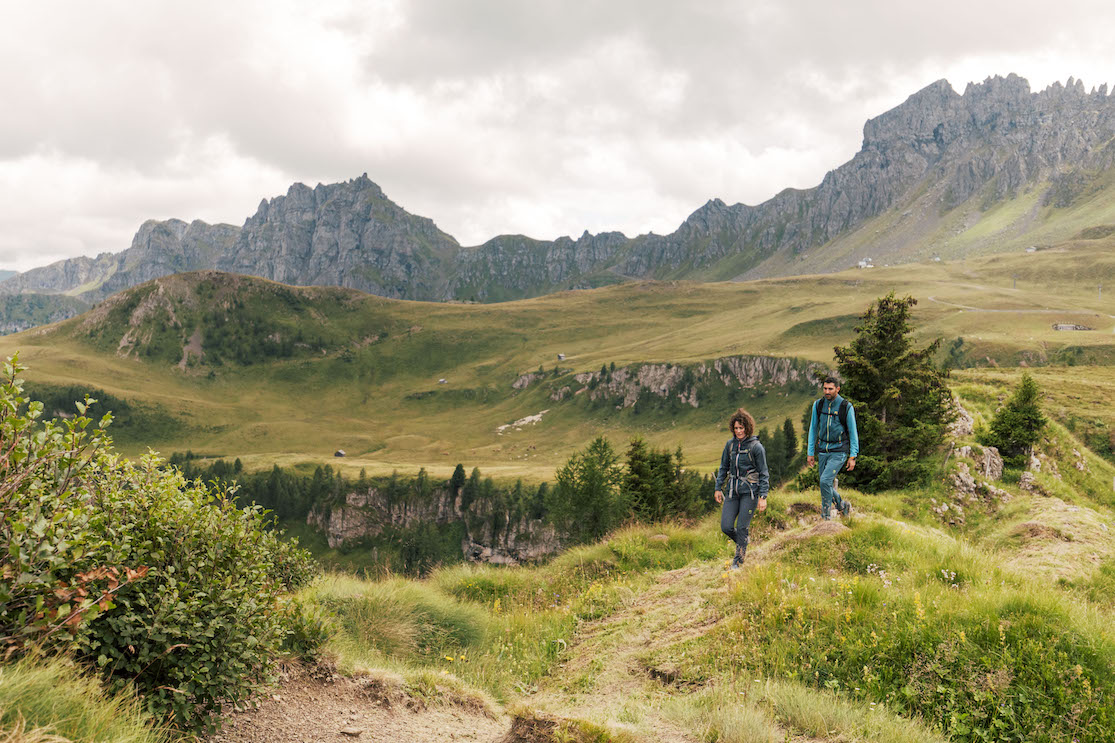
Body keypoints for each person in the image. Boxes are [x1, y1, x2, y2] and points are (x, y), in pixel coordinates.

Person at [714, 408, 769, 569]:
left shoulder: (756, 447)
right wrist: (718, 488)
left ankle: (738, 562)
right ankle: (743, 541)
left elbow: (764, 473)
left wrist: (763, 497)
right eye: (736, 428)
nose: (738, 431)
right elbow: (723, 467)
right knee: (726, 526)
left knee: (743, 527)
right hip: (732, 491)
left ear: (748, 428)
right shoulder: (730, 445)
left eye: (741, 428)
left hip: (750, 492)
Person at [806, 376, 859, 520]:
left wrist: (852, 456)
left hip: (839, 450)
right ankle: (842, 506)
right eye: (825, 388)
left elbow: (853, 433)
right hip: (823, 450)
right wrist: (810, 452)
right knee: (825, 483)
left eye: (830, 389)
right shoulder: (818, 405)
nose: (827, 391)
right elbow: (813, 429)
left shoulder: (845, 407)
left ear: (837, 389)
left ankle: (826, 517)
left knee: (824, 481)